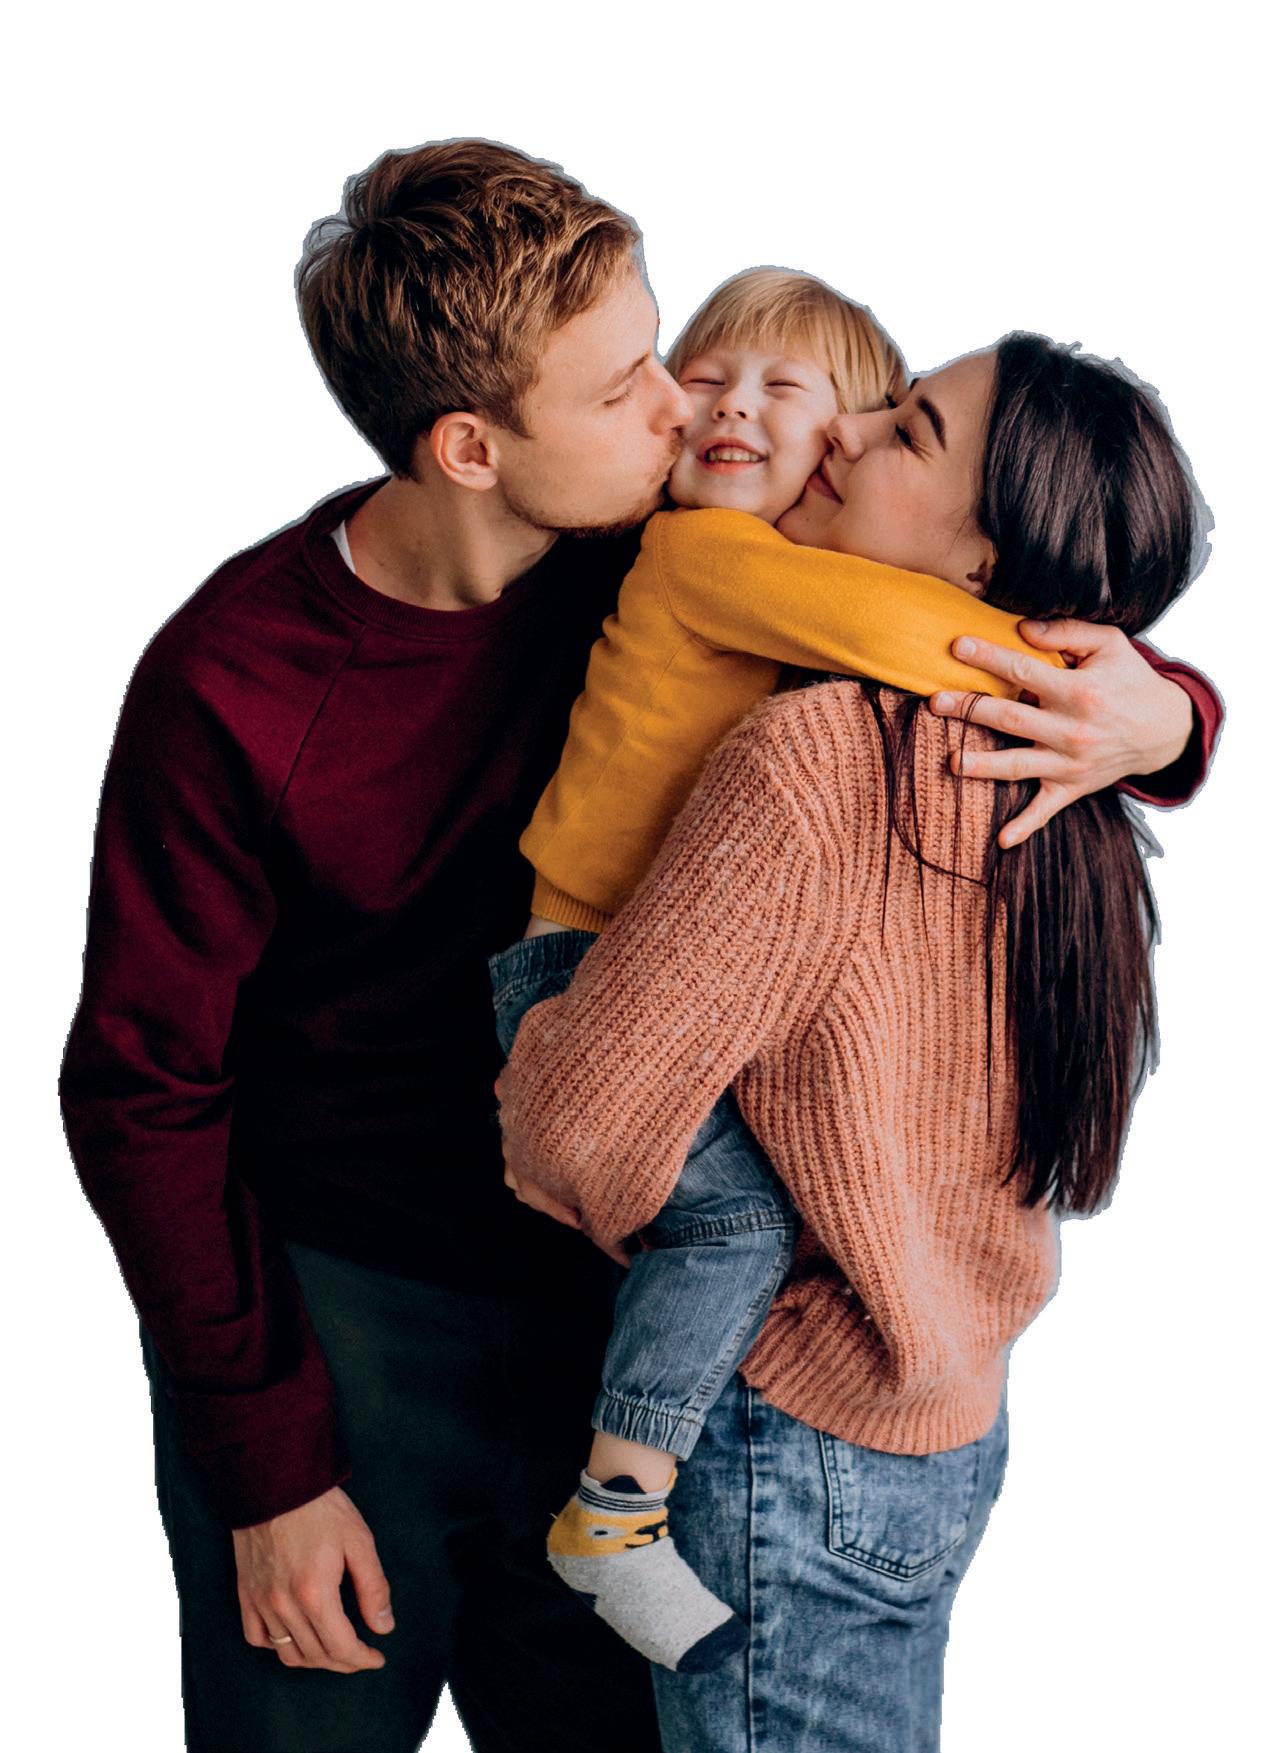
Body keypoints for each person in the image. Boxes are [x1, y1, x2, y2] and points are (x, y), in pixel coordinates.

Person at [58, 136, 1217, 1753]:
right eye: (623, 389)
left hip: (619, 1340)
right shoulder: (232, 683)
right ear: (472, 447)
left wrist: (1164, 714)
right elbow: (142, 1091)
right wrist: (267, 1468)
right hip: (341, 1344)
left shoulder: (667, 548)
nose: (683, 409)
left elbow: (964, 575)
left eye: (661, 352)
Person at [489, 271, 1219, 1672]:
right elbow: (916, 627)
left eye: (885, 422)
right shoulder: (768, 616)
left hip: (803, 1417)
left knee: (730, 1225)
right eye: (703, 380)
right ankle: (614, 1507)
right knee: (732, 1225)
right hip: (926, 1403)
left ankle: (613, 1507)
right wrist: (1133, 700)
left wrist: (1151, 707)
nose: (828, 434)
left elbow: (579, 1128)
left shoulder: (844, 739)